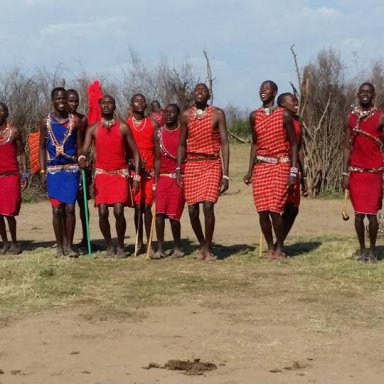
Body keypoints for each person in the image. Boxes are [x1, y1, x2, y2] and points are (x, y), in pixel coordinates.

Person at [79, 95, 140, 257]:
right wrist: (82, 158)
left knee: (119, 210)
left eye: (109, 103)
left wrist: (137, 176)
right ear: (100, 106)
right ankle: (109, 246)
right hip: (102, 175)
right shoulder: (93, 128)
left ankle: (120, 246)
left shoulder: (123, 127)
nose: (106, 106)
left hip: (120, 174)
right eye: (103, 103)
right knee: (102, 212)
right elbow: (84, 149)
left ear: (114, 107)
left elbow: (135, 153)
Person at [243, 80, 298, 260]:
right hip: (261, 167)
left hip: (280, 164)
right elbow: (255, 143)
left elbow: (294, 144)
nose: (263, 91)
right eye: (261, 88)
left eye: (266, 88)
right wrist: (250, 170)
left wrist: (293, 170)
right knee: (262, 211)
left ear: (275, 92)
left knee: (275, 209)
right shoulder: (254, 116)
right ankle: (269, 247)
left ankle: (280, 247)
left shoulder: (284, 116)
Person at [177, 83, 229, 261]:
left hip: (212, 163)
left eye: (203, 90)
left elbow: (224, 143)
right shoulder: (185, 116)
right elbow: (182, 144)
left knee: (208, 205)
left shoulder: (217, 113)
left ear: (209, 95)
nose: (199, 92)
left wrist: (226, 174)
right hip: (192, 164)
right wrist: (178, 169)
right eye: (196, 90)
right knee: (192, 209)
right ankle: (202, 244)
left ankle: (207, 247)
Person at [342, 82, 384, 263]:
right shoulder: (350, 118)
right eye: (362, 92)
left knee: (372, 214)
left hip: (374, 172)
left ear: (373, 95)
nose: (365, 94)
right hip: (356, 172)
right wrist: (344, 174)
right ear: (358, 94)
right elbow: (346, 147)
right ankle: (362, 249)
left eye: (368, 92)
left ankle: (373, 251)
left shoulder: (381, 117)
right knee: (359, 214)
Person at [39, 87, 82, 257]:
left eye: (64, 98)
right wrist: (42, 172)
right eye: (58, 99)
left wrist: (83, 161)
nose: (62, 102)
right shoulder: (45, 122)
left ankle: (69, 245)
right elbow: (42, 148)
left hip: (71, 170)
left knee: (70, 208)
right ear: (52, 100)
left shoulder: (75, 121)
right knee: (57, 210)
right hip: (54, 171)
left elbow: (79, 148)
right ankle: (59, 246)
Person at [126, 94, 158, 255]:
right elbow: (123, 150)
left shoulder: (152, 123)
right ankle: (138, 241)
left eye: (142, 100)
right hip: (134, 173)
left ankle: (150, 242)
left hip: (150, 172)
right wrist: (132, 162)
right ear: (131, 105)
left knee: (147, 207)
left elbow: (158, 150)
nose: (139, 103)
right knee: (137, 207)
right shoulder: (126, 125)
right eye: (136, 101)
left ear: (146, 105)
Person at [153, 103, 185, 259]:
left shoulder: (182, 132)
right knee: (159, 214)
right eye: (167, 112)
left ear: (178, 115)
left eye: (173, 112)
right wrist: (155, 181)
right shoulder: (158, 133)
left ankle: (178, 247)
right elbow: (157, 159)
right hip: (163, 178)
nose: (169, 115)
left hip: (177, 178)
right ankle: (160, 248)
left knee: (173, 216)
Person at [276, 92, 307, 241]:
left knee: (293, 208)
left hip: (294, 167)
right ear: (283, 104)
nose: (296, 103)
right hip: (279, 165)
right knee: (276, 207)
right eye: (293, 101)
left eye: (296, 101)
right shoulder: (275, 119)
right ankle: (275, 244)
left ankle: (280, 242)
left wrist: (303, 174)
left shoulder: (297, 121)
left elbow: (299, 148)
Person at [0, 102, 28, 255]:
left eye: (1, 111)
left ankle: (15, 243)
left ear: (6, 113)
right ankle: (4, 243)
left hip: (11, 177)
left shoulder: (14, 131)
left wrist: (25, 174)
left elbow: (22, 153)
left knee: (9, 213)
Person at [67, 89, 91, 248]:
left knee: (83, 204)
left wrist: (83, 157)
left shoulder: (82, 119)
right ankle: (65, 240)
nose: (74, 104)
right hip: (64, 165)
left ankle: (86, 238)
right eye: (71, 101)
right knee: (66, 205)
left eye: (76, 101)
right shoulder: (57, 119)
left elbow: (85, 142)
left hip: (80, 163)